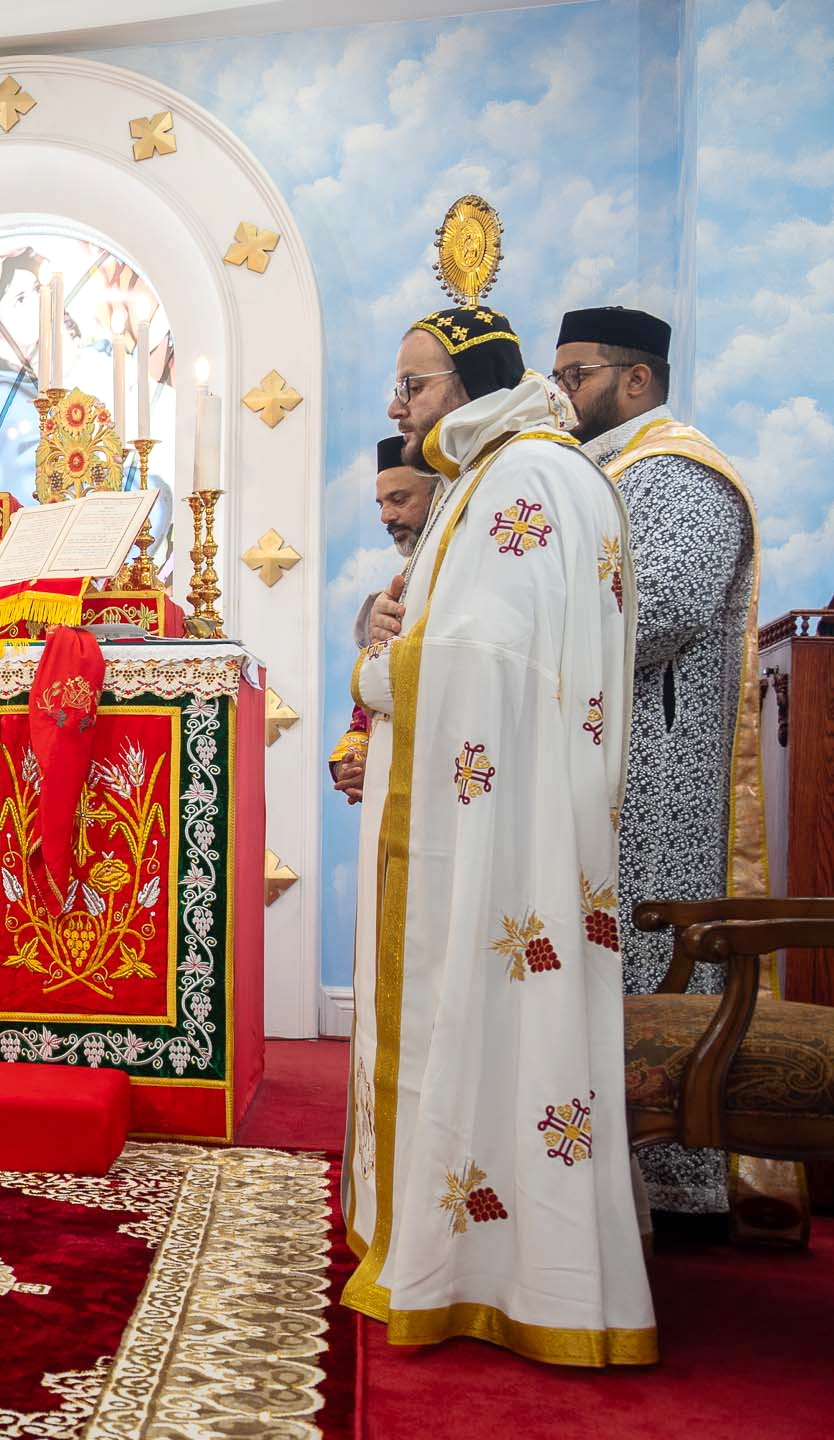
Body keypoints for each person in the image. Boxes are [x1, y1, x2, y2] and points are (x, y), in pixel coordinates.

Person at [344, 304, 653, 1365]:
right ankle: (483, 1257)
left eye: (414, 384)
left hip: (501, 833)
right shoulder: (505, 471)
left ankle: (489, 1274)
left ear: (471, 384)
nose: (398, 406)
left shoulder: (521, 476)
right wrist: (390, 630)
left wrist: (374, 668)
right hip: (505, 811)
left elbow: (481, 663)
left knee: (485, 1022)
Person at [554, 305, 766, 1220]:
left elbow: (662, 610)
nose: (562, 395)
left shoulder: (679, 473)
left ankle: (675, 1188)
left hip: (658, 779)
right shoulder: (607, 472)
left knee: (651, 956)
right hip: (604, 755)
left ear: (636, 379)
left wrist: (529, 628)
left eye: (576, 376)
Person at [330, 438, 436, 804]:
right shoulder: (399, 587)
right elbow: (368, 714)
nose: (386, 517)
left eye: (399, 500)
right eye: (381, 504)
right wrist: (355, 760)